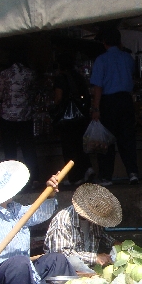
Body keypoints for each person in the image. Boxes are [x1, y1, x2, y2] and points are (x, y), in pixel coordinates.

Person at [89, 28, 139, 186]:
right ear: (120, 42)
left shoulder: (101, 60)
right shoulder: (128, 58)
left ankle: (106, 176)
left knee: (107, 141)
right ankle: (132, 172)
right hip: (125, 100)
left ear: (104, 43)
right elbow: (132, 75)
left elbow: (98, 87)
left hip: (108, 102)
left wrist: (96, 108)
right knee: (127, 138)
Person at [43, 183, 122, 272]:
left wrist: (113, 242)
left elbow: (100, 235)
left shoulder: (94, 223)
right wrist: (95, 258)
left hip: (89, 270)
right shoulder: (63, 221)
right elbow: (61, 255)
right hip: (66, 271)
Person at [53, 53, 94, 185]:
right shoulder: (79, 77)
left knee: (69, 147)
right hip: (81, 116)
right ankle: (87, 167)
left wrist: (54, 105)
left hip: (67, 118)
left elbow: (58, 98)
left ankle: (75, 176)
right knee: (80, 144)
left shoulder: (60, 78)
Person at [0, 57, 39, 189]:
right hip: (25, 116)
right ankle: (34, 179)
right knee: (28, 149)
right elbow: (33, 93)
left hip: (7, 117)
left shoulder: (4, 74)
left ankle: (12, 182)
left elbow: (0, 95)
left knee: (10, 151)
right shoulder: (30, 73)